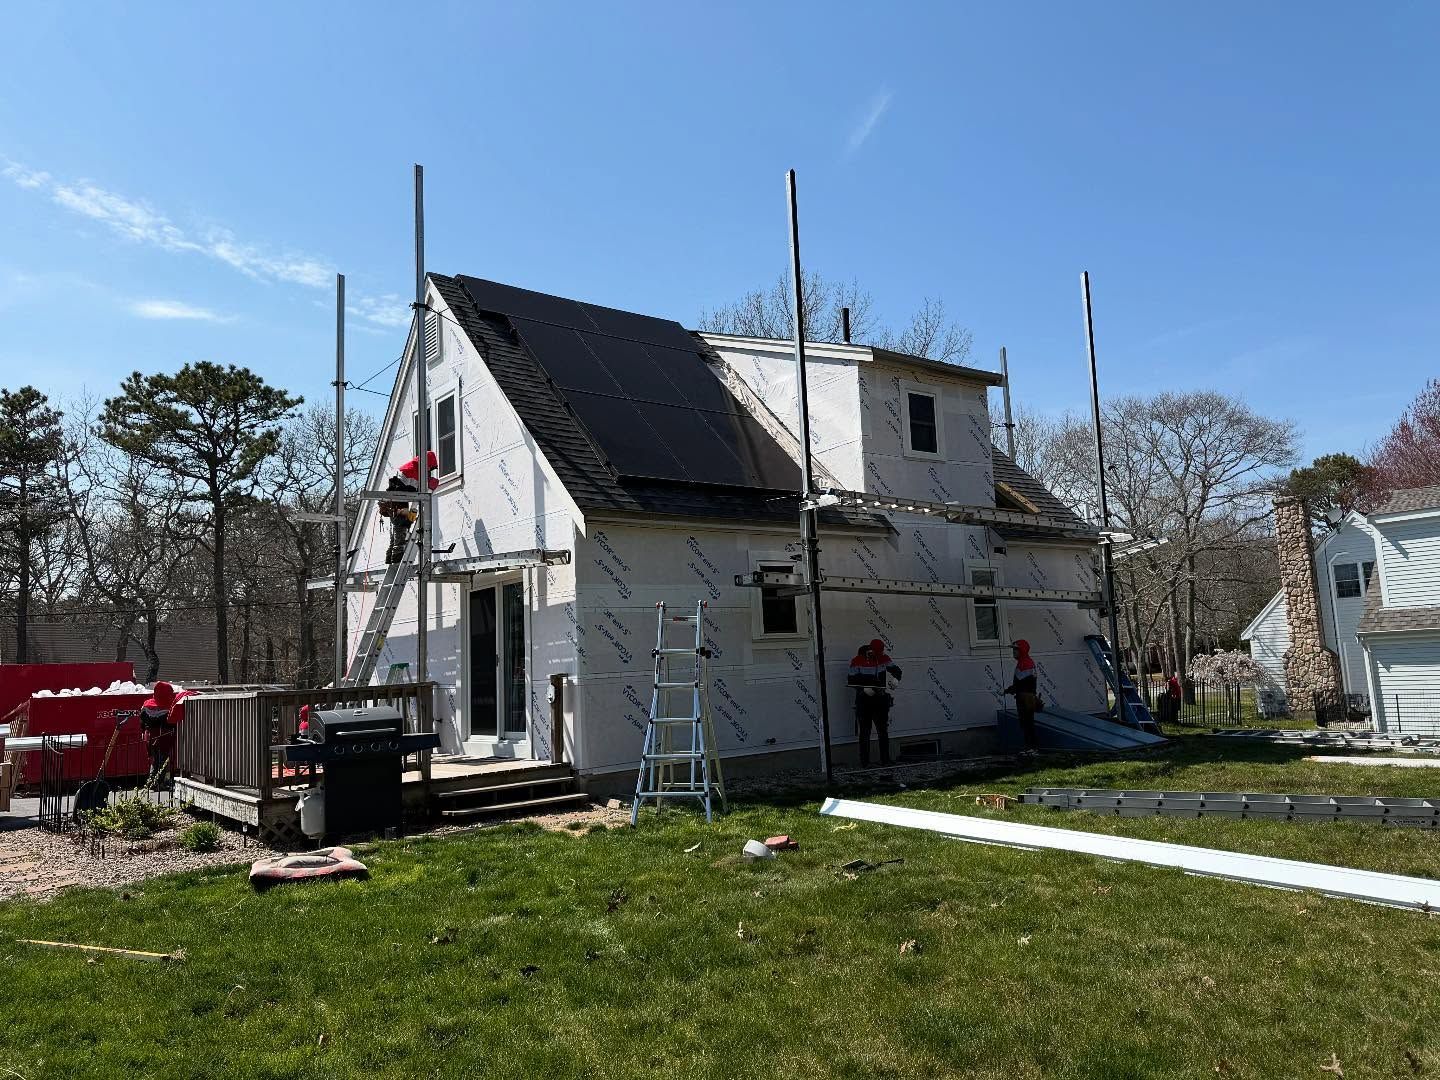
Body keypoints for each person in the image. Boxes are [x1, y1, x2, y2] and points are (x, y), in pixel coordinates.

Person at [847, 638, 903, 767]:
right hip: (864, 700)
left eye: (881, 653)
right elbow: (851, 679)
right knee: (865, 732)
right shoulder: (858, 660)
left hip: (880, 699)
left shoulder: (883, 658)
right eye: (876, 653)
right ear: (870, 650)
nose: (879, 656)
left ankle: (885, 759)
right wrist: (863, 688)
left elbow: (896, 670)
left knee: (883, 730)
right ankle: (865, 762)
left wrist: (896, 679)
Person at [381, 450, 439, 564]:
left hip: (398, 504)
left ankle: (391, 558)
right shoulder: (412, 471)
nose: (428, 471)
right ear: (425, 464)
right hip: (398, 504)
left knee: (398, 533)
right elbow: (414, 493)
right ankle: (397, 559)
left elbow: (414, 495)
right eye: (429, 468)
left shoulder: (413, 471)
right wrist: (428, 487)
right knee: (401, 530)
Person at [138, 680, 195, 786]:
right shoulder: (169, 707)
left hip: (149, 737)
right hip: (164, 737)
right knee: (163, 761)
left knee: (154, 760)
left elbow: (142, 722)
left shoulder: (146, 705)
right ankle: (160, 782)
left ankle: (151, 781)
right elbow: (172, 722)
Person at [1003, 639, 1040, 749]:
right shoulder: (1024, 662)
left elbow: (1019, 685)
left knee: (1027, 724)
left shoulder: (1025, 664)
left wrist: (1007, 690)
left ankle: (1031, 748)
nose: (1013, 652)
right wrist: (1009, 690)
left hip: (1025, 699)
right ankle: (1030, 748)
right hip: (1024, 698)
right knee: (1027, 724)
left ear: (1022, 651)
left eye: (1015, 650)